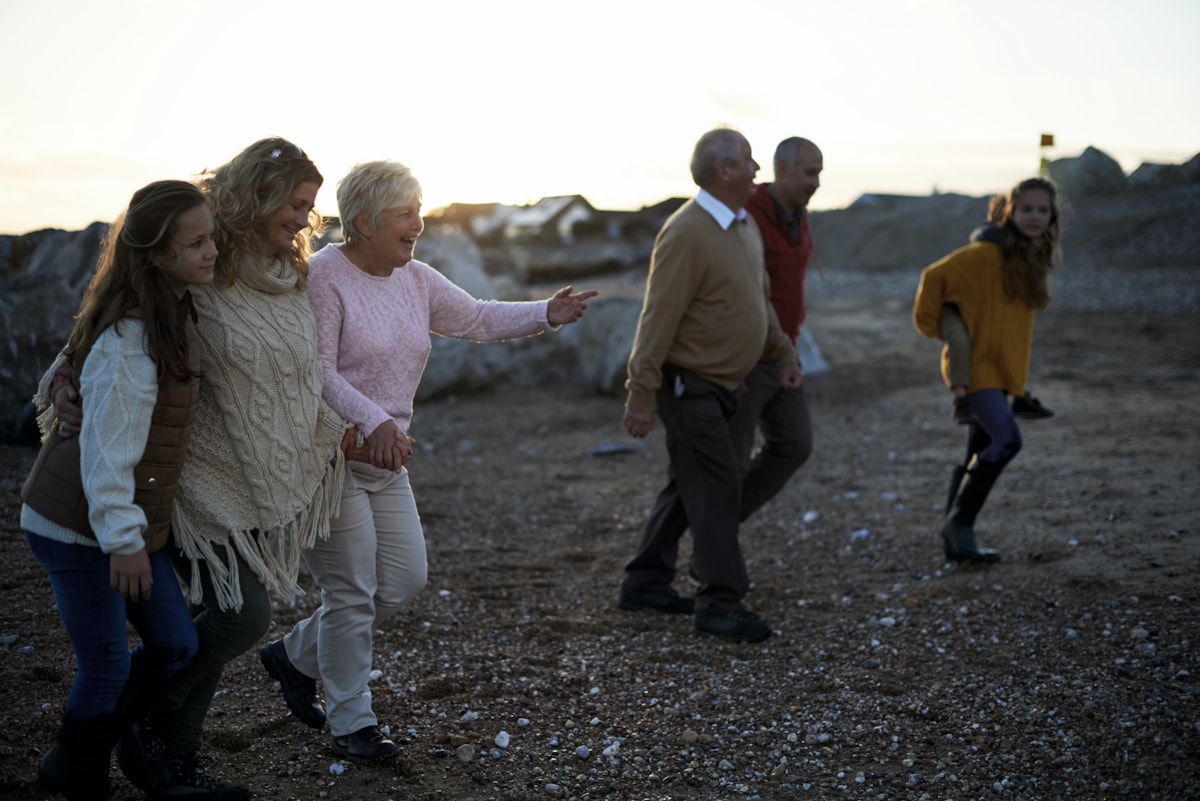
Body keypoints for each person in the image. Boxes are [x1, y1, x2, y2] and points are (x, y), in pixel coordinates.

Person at [257, 159, 598, 763]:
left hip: (386, 456)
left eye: (419, 211)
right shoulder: (324, 277)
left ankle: (293, 656)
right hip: (326, 457)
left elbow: (475, 317)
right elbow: (319, 372)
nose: (418, 224)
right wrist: (376, 419)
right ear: (361, 222)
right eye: (404, 214)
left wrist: (545, 312)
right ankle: (352, 722)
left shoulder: (413, 277)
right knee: (354, 590)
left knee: (404, 579)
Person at [52, 138, 347, 800]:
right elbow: (112, 319)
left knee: (226, 614)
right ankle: (120, 732)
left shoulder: (289, 274)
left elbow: (304, 367)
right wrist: (63, 375)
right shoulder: (194, 259)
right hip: (186, 483)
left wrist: (343, 425)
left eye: (311, 207)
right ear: (261, 194)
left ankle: (166, 757)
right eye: (296, 204)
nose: (305, 220)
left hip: (241, 481)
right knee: (239, 616)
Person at [20, 180, 212, 801]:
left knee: (176, 643)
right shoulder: (132, 339)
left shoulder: (172, 303)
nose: (213, 252)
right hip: (78, 526)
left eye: (213, 237)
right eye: (198, 243)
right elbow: (107, 454)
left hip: (122, 518)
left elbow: (70, 366)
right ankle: (75, 771)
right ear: (156, 254)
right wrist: (125, 544)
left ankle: (87, 752)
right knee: (104, 665)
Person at [620, 128, 800, 644]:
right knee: (719, 484)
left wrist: (783, 354)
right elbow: (656, 320)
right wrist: (641, 394)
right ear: (723, 170)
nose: (757, 169)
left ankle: (645, 581)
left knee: (689, 482)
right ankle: (720, 603)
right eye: (748, 161)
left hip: (726, 383)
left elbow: (757, 302)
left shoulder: (742, 225)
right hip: (687, 386)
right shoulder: (685, 233)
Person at [913, 176, 1062, 563]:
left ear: (1052, 216)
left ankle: (955, 541)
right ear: (1010, 211)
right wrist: (941, 328)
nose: (1034, 216)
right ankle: (958, 525)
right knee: (1008, 440)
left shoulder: (1032, 258)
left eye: (1042, 210)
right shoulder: (983, 255)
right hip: (978, 373)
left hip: (1000, 374)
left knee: (978, 448)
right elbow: (932, 277)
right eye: (1026, 209)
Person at [732, 136, 821, 518]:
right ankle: (710, 548)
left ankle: (722, 523)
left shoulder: (798, 214)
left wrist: (790, 352)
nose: (816, 182)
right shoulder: (748, 213)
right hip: (744, 358)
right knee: (727, 462)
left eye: (819, 173)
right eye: (810, 172)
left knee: (795, 444)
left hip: (784, 355)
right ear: (782, 169)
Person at [940, 212, 1057, 425]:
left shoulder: (1026, 254)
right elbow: (935, 277)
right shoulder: (994, 249)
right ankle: (960, 400)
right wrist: (928, 322)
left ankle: (1017, 395)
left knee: (1010, 336)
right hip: (956, 306)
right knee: (961, 341)